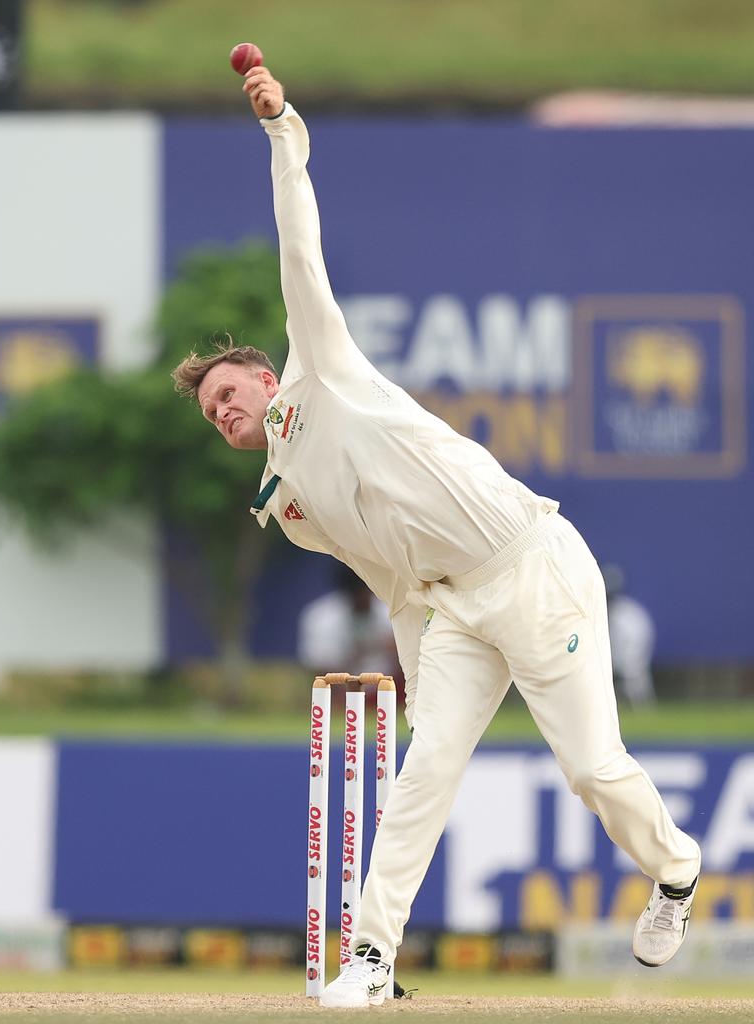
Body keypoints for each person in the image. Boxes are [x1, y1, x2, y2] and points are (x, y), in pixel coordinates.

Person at [172, 66, 701, 1008]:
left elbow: (300, 243)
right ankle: (372, 961)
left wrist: (280, 127)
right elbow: (397, 581)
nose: (221, 413)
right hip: (452, 609)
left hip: (533, 566)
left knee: (592, 770)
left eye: (226, 394)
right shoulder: (288, 510)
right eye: (210, 412)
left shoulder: (322, 367)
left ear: (261, 374)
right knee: (425, 772)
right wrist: (417, 661)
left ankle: (674, 870)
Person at [297, 564, 400, 680]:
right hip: (341, 689)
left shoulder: (392, 612)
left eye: (367, 592)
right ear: (347, 593)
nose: (364, 599)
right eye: (359, 594)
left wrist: (394, 649)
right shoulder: (320, 618)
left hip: (388, 688)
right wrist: (352, 657)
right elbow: (316, 669)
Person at [603, 564, 657, 705]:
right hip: (612, 661)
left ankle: (641, 708)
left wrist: (620, 666)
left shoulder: (627, 613)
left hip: (629, 659)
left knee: (634, 681)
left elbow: (638, 640)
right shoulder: (603, 610)